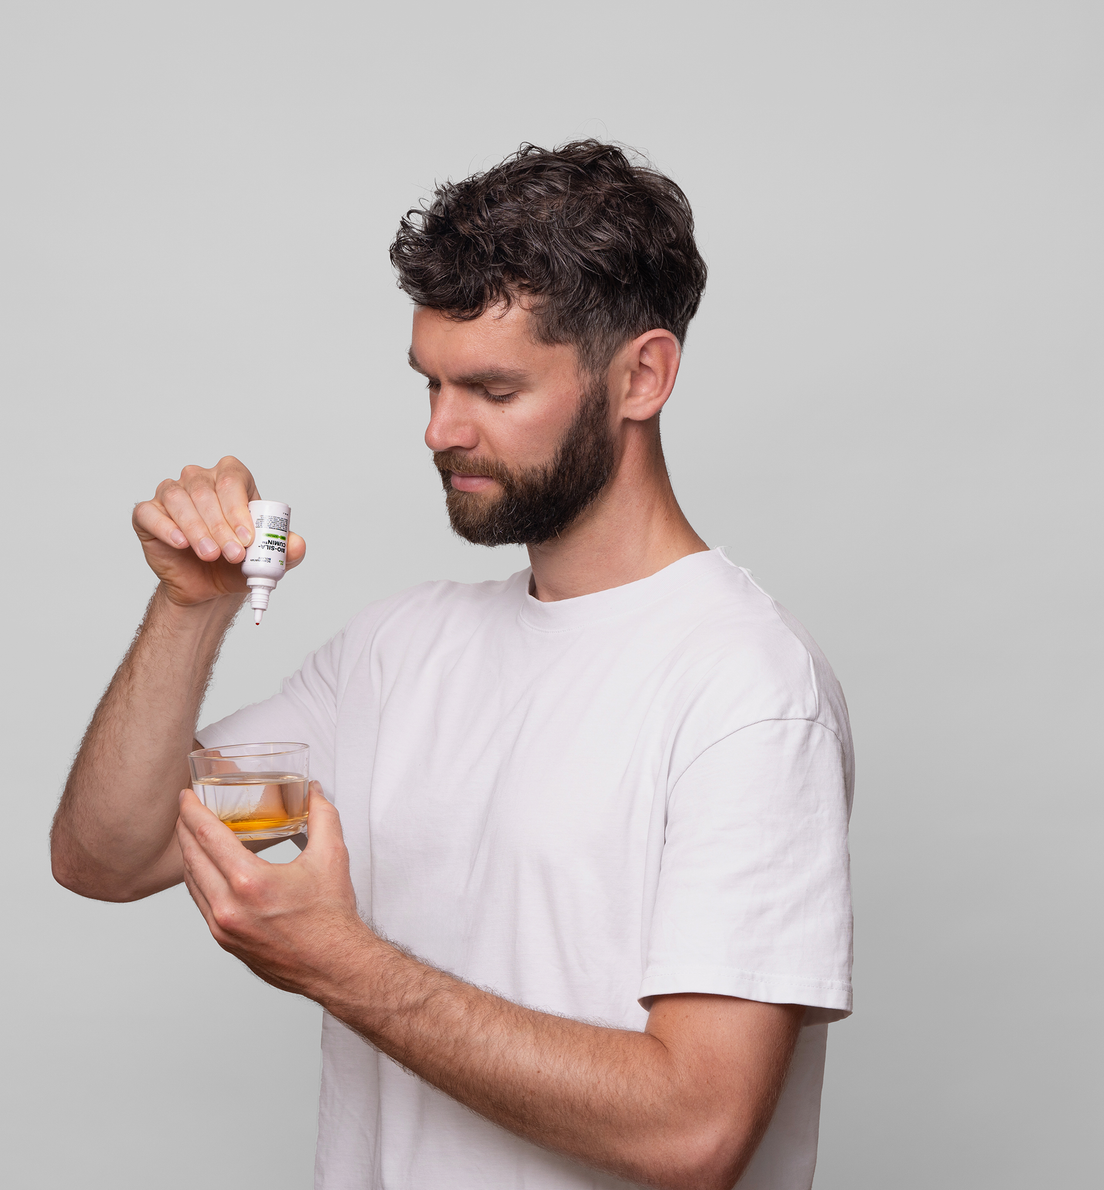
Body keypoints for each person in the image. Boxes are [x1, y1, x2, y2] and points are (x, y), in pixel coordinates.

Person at [52, 141, 853, 1190]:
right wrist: (189, 606)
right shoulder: (399, 651)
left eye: (491, 388)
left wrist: (337, 961)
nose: (440, 429)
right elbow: (108, 855)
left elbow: (694, 1130)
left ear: (643, 376)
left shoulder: (748, 691)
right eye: (430, 383)